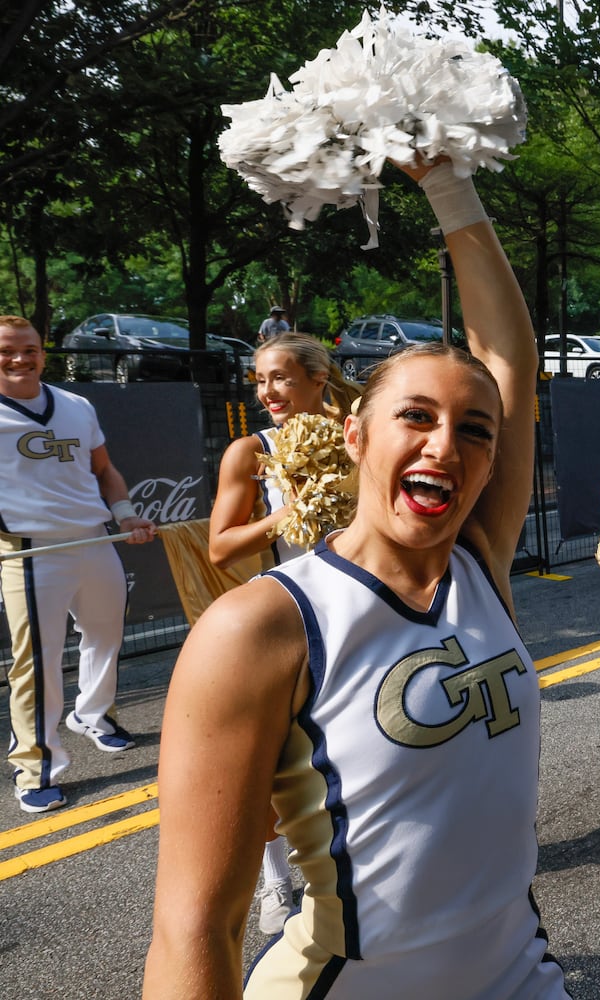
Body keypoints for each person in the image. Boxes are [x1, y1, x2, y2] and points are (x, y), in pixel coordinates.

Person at [144, 160, 568, 998]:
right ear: (354, 436)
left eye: (474, 431)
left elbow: (507, 354)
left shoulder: (482, 560)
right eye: (415, 416)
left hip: (521, 974)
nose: (445, 445)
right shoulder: (263, 626)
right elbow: (196, 924)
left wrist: (447, 179)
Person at [204, 331, 361, 935]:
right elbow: (220, 547)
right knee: (272, 752)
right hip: (294, 613)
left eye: (282, 378)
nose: (267, 390)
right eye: (261, 379)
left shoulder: (359, 430)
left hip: (365, 603)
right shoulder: (250, 450)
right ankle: (277, 879)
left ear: (319, 379)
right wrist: (282, 515)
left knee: (354, 744)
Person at [0, 315, 158, 813]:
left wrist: (126, 513)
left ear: (43, 352)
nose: (20, 358)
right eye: (7, 350)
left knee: (106, 635)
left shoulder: (76, 404)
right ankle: (35, 766)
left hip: (93, 540)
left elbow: (104, 470)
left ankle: (93, 716)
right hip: (30, 550)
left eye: (29, 349)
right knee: (38, 664)